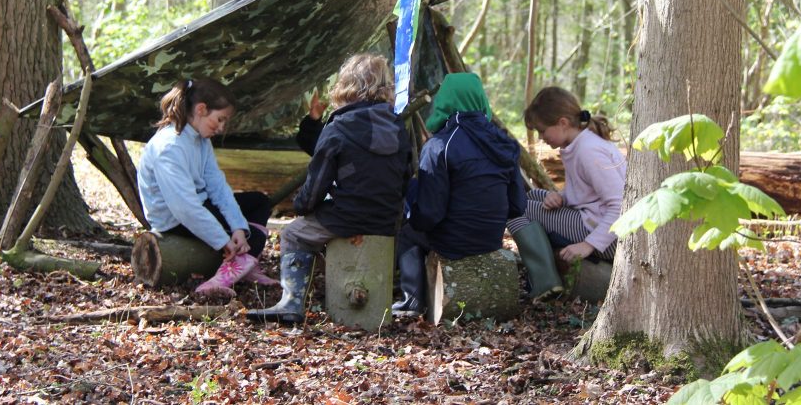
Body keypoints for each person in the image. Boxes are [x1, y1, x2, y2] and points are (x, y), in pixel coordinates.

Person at [246, 53, 410, 324]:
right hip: (387, 219)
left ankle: (292, 302)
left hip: (347, 216)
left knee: (294, 234)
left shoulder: (338, 128)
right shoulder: (397, 128)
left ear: (346, 85)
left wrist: (302, 207)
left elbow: (316, 182)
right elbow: (405, 177)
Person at [392, 72, 526, 318]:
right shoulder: (505, 144)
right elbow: (517, 206)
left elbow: (430, 215)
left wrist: (412, 210)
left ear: (444, 101)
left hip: (453, 243)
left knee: (409, 235)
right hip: (490, 239)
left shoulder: (439, 146)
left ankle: (411, 300)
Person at [137, 78, 277, 298]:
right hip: (174, 219)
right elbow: (185, 208)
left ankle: (243, 267)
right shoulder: (169, 147)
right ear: (201, 109)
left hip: (200, 205)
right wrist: (222, 240)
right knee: (243, 232)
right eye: (219, 119)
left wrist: (238, 227)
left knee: (260, 202)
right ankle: (223, 277)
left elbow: (217, 186)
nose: (221, 128)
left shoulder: (201, 139)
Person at [507, 86, 626, 300]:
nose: (542, 137)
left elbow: (620, 206)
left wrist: (588, 245)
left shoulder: (589, 152)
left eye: (543, 131)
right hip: (594, 219)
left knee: (514, 208)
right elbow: (586, 192)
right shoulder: (580, 144)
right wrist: (561, 197)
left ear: (562, 123)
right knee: (533, 197)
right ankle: (548, 268)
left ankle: (545, 284)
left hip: (611, 237)